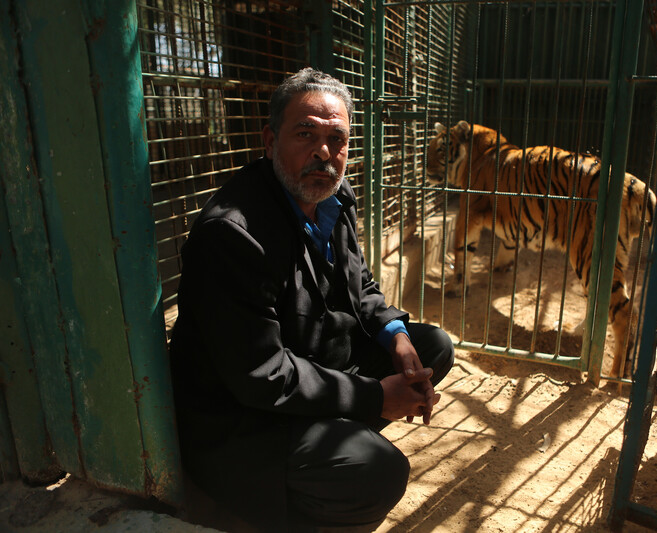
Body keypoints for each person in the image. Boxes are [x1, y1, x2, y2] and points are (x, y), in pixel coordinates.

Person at [168, 67, 454, 532]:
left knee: (431, 347)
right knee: (379, 472)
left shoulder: (334, 197)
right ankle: (290, 505)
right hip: (242, 418)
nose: (323, 152)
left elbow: (359, 284)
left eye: (337, 139)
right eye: (305, 134)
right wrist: (373, 396)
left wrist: (397, 338)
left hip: (306, 361)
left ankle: (334, 447)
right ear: (269, 140)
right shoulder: (233, 234)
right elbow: (262, 375)